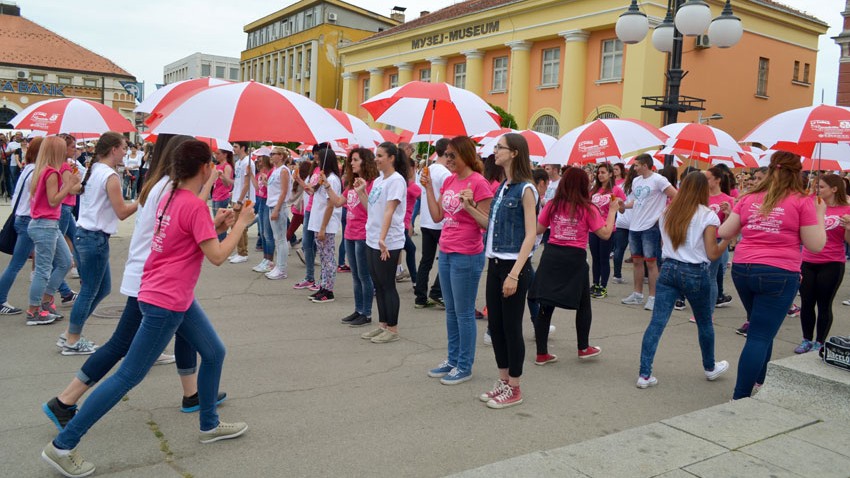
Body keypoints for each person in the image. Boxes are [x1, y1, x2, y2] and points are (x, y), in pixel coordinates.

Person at [41, 140, 252, 478]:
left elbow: (189, 243)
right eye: (211, 163)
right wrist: (240, 224)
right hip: (166, 300)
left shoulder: (170, 196)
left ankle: (209, 424)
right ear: (204, 168)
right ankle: (63, 445)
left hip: (166, 293)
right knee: (128, 376)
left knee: (214, 352)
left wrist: (221, 226)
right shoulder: (191, 204)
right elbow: (215, 257)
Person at [719, 151, 826, 400]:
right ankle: (741, 396)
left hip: (743, 269)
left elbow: (725, 231)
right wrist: (819, 216)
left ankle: (759, 380)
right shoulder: (802, 201)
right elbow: (815, 245)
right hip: (779, 272)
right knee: (759, 335)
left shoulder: (749, 197)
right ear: (797, 172)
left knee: (760, 328)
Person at [636, 172, 731, 389]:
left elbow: (663, 246)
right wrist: (727, 240)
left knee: (657, 323)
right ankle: (709, 367)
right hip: (695, 271)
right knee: (704, 322)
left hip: (668, 269)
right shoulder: (707, 215)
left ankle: (644, 373)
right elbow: (712, 253)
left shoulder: (668, 212)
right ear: (702, 190)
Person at [471, 134, 537, 409]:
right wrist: (468, 208)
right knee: (495, 327)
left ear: (514, 153)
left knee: (511, 328)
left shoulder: (526, 189)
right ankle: (503, 380)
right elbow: (490, 225)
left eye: (500, 148)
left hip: (513, 266)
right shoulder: (501, 188)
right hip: (495, 262)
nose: (495, 151)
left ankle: (516, 387)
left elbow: (531, 234)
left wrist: (514, 274)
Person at [59, 132, 138, 356]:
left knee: (101, 289)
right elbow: (121, 212)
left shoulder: (94, 170)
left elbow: (78, 191)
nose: (125, 151)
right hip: (94, 237)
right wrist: (142, 201)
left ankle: (70, 334)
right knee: (90, 290)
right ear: (113, 149)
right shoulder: (109, 175)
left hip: (87, 235)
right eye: (123, 147)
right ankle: (72, 338)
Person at [422, 136, 493, 384]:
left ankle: (464, 365)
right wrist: (429, 188)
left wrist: (470, 206)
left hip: (467, 254)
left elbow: (487, 224)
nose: (449, 160)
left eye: (453, 155)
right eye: (447, 155)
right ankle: (452, 360)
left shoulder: (479, 183)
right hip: (447, 250)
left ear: (467, 155)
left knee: (463, 313)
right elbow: (437, 215)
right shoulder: (451, 180)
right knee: (451, 311)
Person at [529, 168, 616, 365]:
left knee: (546, 304)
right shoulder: (588, 208)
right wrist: (611, 211)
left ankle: (541, 353)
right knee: (583, 304)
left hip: (551, 256)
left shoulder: (552, 205)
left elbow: (539, 229)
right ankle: (583, 347)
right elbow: (605, 234)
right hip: (575, 258)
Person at [357, 142, 408, 343]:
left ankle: (393, 329)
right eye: (375, 155)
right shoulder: (379, 180)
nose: (376, 159)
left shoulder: (396, 181)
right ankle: (382, 325)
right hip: (373, 239)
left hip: (388, 241)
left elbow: (389, 211)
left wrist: (382, 238)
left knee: (387, 285)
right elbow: (371, 209)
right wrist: (362, 192)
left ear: (391, 158)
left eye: (380, 155)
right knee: (378, 284)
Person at [26, 137, 81, 325]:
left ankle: (45, 300)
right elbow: (53, 200)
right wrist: (69, 185)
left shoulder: (44, 170)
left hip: (47, 224)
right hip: (45, 224)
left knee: (65, 262)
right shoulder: (51, 173)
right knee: (43, 269)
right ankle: (34, 310)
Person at [794, 174, 850, 353]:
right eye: (816, 186)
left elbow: (848, 241)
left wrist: (849, 228)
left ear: (834, 189)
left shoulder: (846, 209)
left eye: (822, 187)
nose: (817, 189)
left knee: (824, 304)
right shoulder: (810, 205)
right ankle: (806, 339)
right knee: (807, 303)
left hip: (832, 262)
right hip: (807, 261)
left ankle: (819, 342)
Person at [621, 154, 677, 311]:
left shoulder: (659, 180)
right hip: (635, 226)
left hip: (650, 226)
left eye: (637, 165)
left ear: (645, 165)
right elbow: (638, 201)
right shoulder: (636, 181)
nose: (634, 168)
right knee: (637, 261)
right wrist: (624, 206)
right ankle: (637, 294)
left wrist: (663, 213)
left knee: (651, 263)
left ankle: (653, 297)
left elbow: (676, 196)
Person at [339, 148, 378, 327]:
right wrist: (325, 186)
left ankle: (367, 313)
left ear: (365, 162)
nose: (352, 163)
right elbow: (338, 202)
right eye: (351, 160)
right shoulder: (352, 184)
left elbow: (371, 210)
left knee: (364, 275)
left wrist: (362, 191)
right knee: (355, 275)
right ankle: (358, 309)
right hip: (349, 233)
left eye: (355, 160)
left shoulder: (372, 183)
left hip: (363, 235)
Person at [0, 137, 39, 316]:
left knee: (48, 259)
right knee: (17, 263)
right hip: (27, 220)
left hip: (22, 218)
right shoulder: (35, 172)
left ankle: (64, 292)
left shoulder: (28, 169)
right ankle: (0, 300)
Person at [414, 138, 450, 309]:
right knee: (445, 259)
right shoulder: (445, 174)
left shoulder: (427, 170)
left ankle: (420, 296)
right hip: (440, 221)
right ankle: (436, 292)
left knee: (426, 260)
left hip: (426, 220)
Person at [309, 147, 343, 303]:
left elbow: (330, 205)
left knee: (328, 257)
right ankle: (323, 286)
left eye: (319, 159)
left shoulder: (334, 180)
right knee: (323, 257)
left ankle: (329, 290)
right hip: (318, 222)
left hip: (326, 224)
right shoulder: (324, 178)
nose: (317, 161)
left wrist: (323, 227)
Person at [589, 162, 626, 298]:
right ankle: (595, 284)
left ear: (611, 174)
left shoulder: (615, 191)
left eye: (603, 172)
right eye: (599, 173)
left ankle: (603, 287)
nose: (600, 175)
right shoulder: (594, 190)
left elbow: (622, 210)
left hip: (608, 229)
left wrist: (620, 203)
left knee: (604, 258)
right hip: (593, 229)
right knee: (595, 258)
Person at [264, 146, 293, 280]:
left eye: (274, 154)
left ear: (281, 156)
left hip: (278, 207)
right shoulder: (276, 170)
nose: (271, 156)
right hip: (273, 205)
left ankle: (282, 268)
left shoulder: (283, 171)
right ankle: (278, 266)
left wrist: (276, 209)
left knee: (281, 239)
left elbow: (283, 191)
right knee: (277, 238)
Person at [229, 141, 256, 264]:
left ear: (243, 148)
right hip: (236, 196)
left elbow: (246, 184)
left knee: (238, 225)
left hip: (244, 199)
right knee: (236, 225)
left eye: (235, 146)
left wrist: (239, 200)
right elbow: (238, 181)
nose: (233, 149)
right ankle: (240, 251)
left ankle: (243, 253)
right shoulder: (238, 162)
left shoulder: (248, 162)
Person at [396, 156, 421, 283]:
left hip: (402, 223)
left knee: (407, 249)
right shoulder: (410, 185)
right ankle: (416, 279)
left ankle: (414, 279)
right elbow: (424, 198)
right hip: (402, 224)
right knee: (410, 249)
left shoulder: (401, 183)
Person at [612, 164, 637, 285]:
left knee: (619, 250)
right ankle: (646, 275)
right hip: (635, 221)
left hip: (621, 220)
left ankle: (617, 275)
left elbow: (615, 200)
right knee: (639, 252)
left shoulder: (621, 185)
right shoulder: (638, 186)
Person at [251, 154, 275, 273]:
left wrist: (266, 181)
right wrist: (251, 175)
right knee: (262, 232)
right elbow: (256, 187)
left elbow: (273, 188)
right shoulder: (259, 173)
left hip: (267, 201)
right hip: (260, 200)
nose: (258, 163)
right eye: (257, 161)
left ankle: (270, 260)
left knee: (267, 233)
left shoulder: (271, 172)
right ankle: (265, 259)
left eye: (260, 160)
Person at [211, 147, 235, 241]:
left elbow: (227, 184)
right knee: (216, 221)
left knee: (220, 222)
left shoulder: (227, 166)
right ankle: (218, 241)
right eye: (215, 154)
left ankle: (222, 242)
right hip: (215, 195)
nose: (216, 156)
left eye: (218, 154)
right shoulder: (217, 165)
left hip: (222, 195)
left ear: (225, 154)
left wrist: (222, 176)